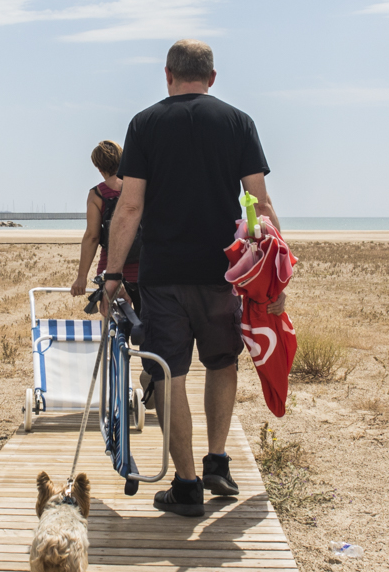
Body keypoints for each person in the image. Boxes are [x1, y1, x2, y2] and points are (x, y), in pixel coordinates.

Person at [102, 39, 284, 517]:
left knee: (169, 375)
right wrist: (275, 278)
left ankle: (187, 486)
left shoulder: (144, 124)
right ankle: (217, 462)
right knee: (223, 363)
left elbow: (131, 206)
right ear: (212, 77)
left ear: (167, 75)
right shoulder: (238, 122)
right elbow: (260, 206)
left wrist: (113, 275)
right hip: (226, 273)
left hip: (164, 276)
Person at [70, 140, 142, 314]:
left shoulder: (97, 194)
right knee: (147, 326)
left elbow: (92, 236)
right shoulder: (139, 188)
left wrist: (81, 277)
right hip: (143, 269)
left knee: (113, 324)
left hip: (110, 270)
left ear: (99, 167)